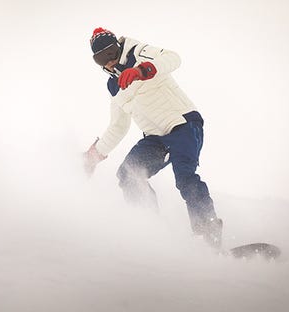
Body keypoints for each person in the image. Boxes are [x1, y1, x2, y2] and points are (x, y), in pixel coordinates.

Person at [83, 27, 222, 247]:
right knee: (128, 175)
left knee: (185, 176)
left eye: (110, 53)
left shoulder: (139, 53)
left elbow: (173, 58)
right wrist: (95, 154)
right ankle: (152, 231)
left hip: (183, 124)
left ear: (118, 47)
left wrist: (142, 71)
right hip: (155, 138)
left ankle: (208, 235)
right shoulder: (114, 86)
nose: (109, 62)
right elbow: (118, 126)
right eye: (100, 59)